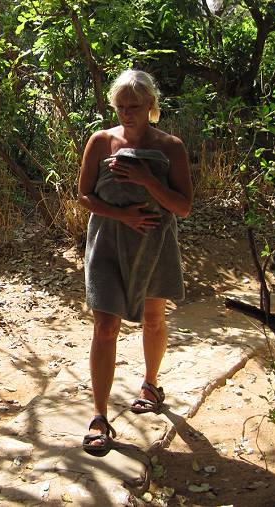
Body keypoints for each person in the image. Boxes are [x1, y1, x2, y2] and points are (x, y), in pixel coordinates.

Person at [76, 69, 193, 456]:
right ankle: (98, 417)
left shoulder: (171, 147)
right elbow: (84, 198)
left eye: (135, 106)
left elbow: (184, 207)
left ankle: (151, 384)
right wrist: (122, 215)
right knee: (105, 325)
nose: (127, 113)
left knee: (153, 317)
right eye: (121, 106)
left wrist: (146, 179)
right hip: (107, 242)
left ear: (150, 106)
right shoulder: (101, 141)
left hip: (155, 242)